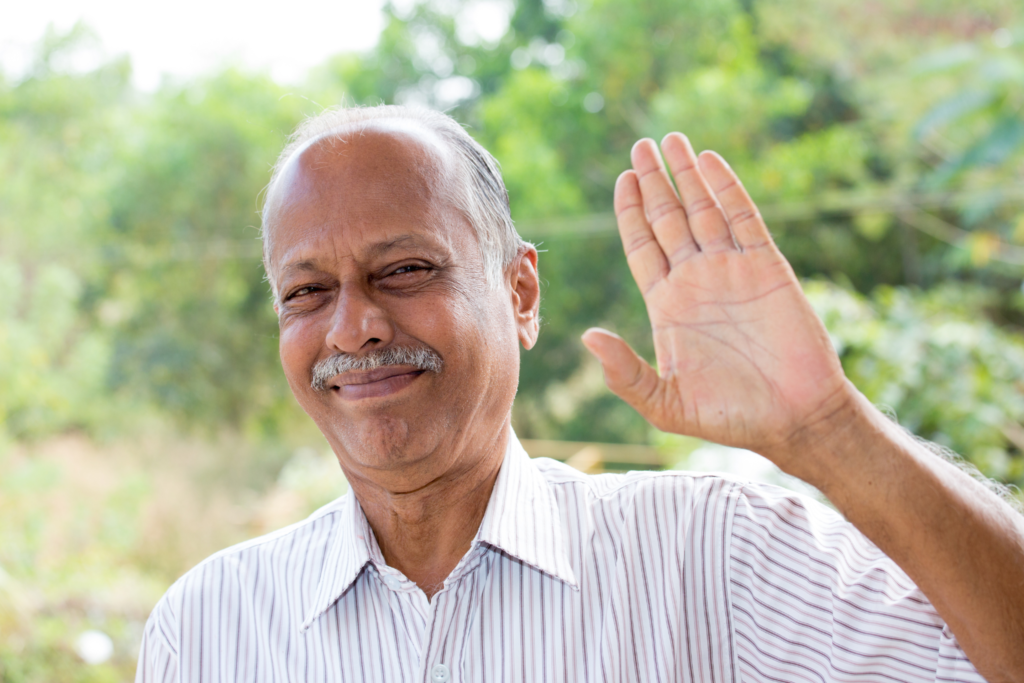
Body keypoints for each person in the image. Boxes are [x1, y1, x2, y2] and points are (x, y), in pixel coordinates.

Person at [135, 105, 1024, 683]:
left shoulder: (707, 558)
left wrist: (831, 430)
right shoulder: (209, 626)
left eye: (405, 269)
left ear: (520, 293)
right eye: (307, 292)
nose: (353, 327)